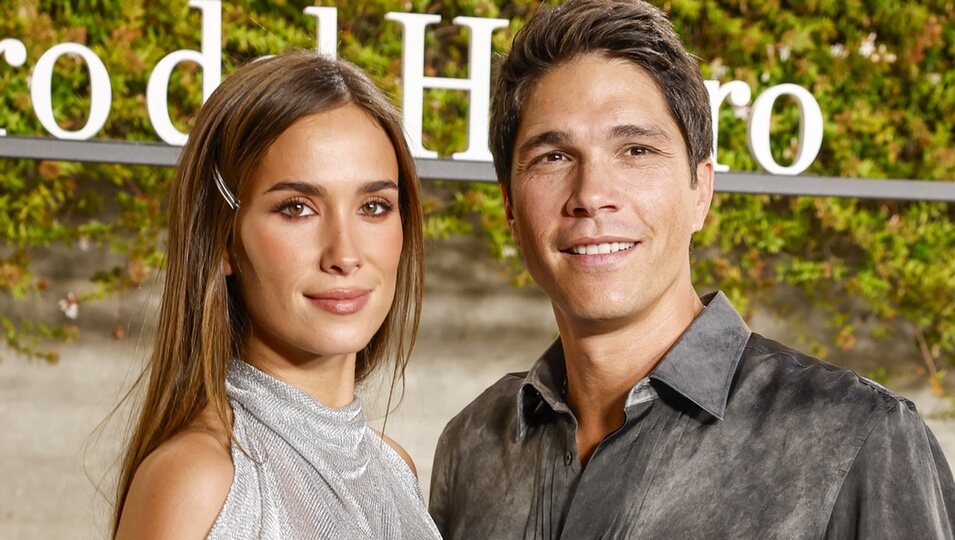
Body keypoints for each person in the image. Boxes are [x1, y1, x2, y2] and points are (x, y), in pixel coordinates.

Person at [429, 0, 955, 538]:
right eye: (553, 157)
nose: (591, 196)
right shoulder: (471, 445)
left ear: (701, 189)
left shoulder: (859, 437)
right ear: (511, 209)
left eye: (635, 149)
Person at [113, 50, 440, 538]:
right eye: (297, 208)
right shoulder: (199, 480)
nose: (344, 254)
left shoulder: (397, 470)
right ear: (221, 238)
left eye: (373, 206)